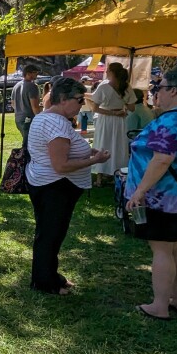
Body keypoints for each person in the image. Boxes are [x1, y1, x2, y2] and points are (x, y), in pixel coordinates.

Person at [125, 67, 177, 320]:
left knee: (161, 249)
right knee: (175, 247)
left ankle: (159, 305)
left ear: (173, 90)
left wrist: (139, 191)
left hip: (162, 196)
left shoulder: (173, 120)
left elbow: (162, 159)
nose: (156, 92)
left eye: (159, 87)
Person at [25, 77, 111, 294]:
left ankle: (50, 276)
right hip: (55, 186)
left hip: (47, 184)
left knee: (50, 233)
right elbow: (61, 165)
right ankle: (45, 282)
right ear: (63, 99)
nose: (83, 104)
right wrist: (95, 160)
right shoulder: (56, 123)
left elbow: (62, 150)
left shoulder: (47, 118)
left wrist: (88, 152)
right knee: (50, 235)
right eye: (80, 99)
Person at [89, 62, 136, 185]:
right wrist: (122, 108)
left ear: (112, 72)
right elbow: (132, 107)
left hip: (106, 119)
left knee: (103, 143)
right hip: (119, 119)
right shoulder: (126, 87)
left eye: (108, 70)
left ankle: (101, 177)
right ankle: (115, 174)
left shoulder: (103, 86)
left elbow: (95, 108)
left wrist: (116, 112)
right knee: (118, 146)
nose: (106, 72)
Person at [11, 64, 42, 141]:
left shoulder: (16, 86)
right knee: (30, 144)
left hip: (18, 118)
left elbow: (13, 104)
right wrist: (40, 119)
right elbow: (34, 106)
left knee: (26, 142)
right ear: (28, 73)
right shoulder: (32, 86)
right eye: (35, 73)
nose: (37, 75)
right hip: (29, 119)